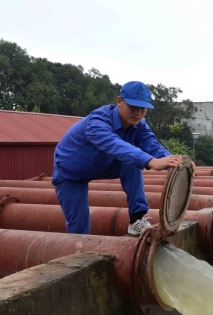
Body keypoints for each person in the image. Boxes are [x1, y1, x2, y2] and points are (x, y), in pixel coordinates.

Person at [52, 81, 185, 235]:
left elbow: (151, 144)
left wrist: (176, 162)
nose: (138, 113)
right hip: (71, 171)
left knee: (132, 161)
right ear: (119, 101)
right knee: (78, 225)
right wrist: (152, 162)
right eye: (133, 107)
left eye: (143, 108)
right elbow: (115, 145)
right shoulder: (97, 121)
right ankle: (77, 252)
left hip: (102, 163)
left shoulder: (139, 124)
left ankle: (137, 219)